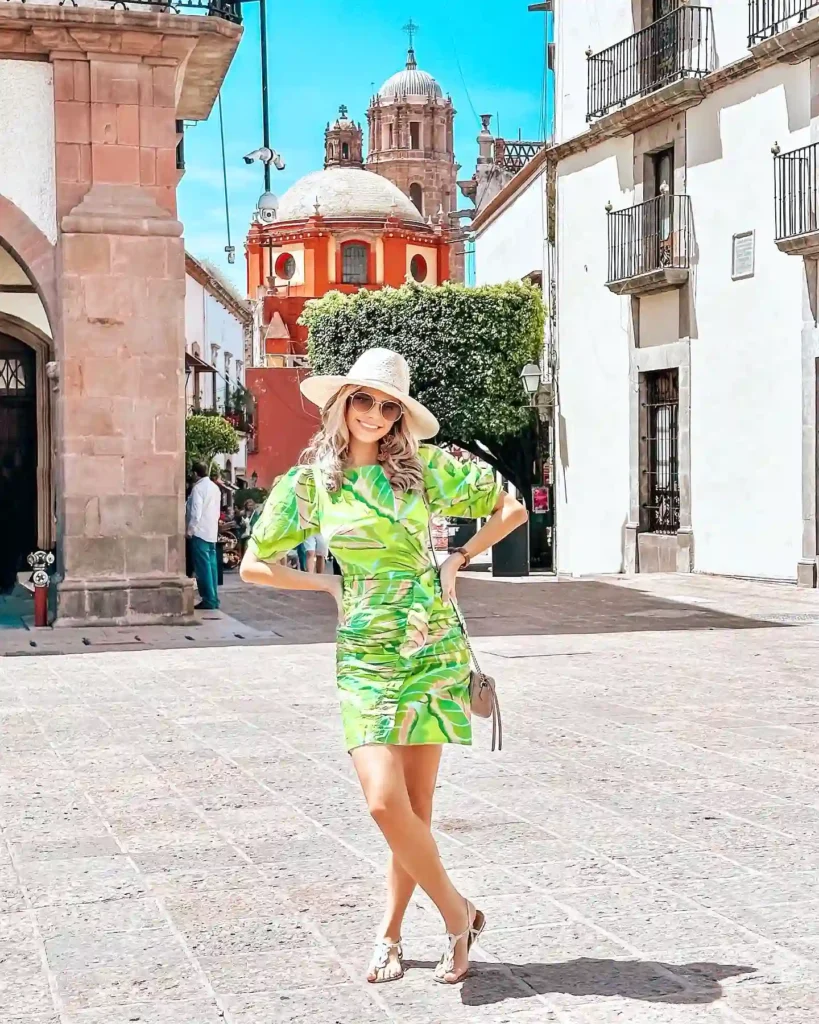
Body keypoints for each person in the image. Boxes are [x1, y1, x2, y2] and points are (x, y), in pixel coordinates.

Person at [241, 348, 528, 986]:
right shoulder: (312, 483)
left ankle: (391, 932)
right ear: (341, 405)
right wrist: (329, 590)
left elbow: (512, 509)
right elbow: (255, 562)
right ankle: (459, 912)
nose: (373, 413)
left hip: (430, 643)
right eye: (363, 400)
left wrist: (458, 558)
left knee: (416, 807)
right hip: (365, 650)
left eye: (387, 404)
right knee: (382, 801)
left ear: (400, 415)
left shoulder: (424, 468)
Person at [186, 462, 222, 610]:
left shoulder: (198, 489)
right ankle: (214, 598)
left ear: (195, 473)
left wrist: (190, 530)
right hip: (211, 531)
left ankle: (208, 599)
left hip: (200, 532)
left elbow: (196, 513)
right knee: (212, 567)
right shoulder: (215, 488)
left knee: (203, 568)